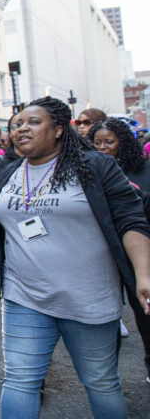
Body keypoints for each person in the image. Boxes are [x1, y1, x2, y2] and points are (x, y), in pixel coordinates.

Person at [0, 97, 150, 418]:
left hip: (88, 299)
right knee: (20, 380)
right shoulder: (10, 171)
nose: (22, 127)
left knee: (101, 382)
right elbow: (9, 230)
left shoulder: (96, 165)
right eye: (18, 123)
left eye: (33, 122)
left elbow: (130, 221)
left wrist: (144, 274)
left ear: (59, 130)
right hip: (24, 297)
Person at [87, 118, 150, 383]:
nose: (103, 147)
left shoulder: (143, 169)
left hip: (137, 249)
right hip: (101, 252)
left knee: (144, 309)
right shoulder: (87, 170)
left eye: (109, 142)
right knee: (104, 314)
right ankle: (106, 371)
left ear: (122, 142)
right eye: (97, 143)